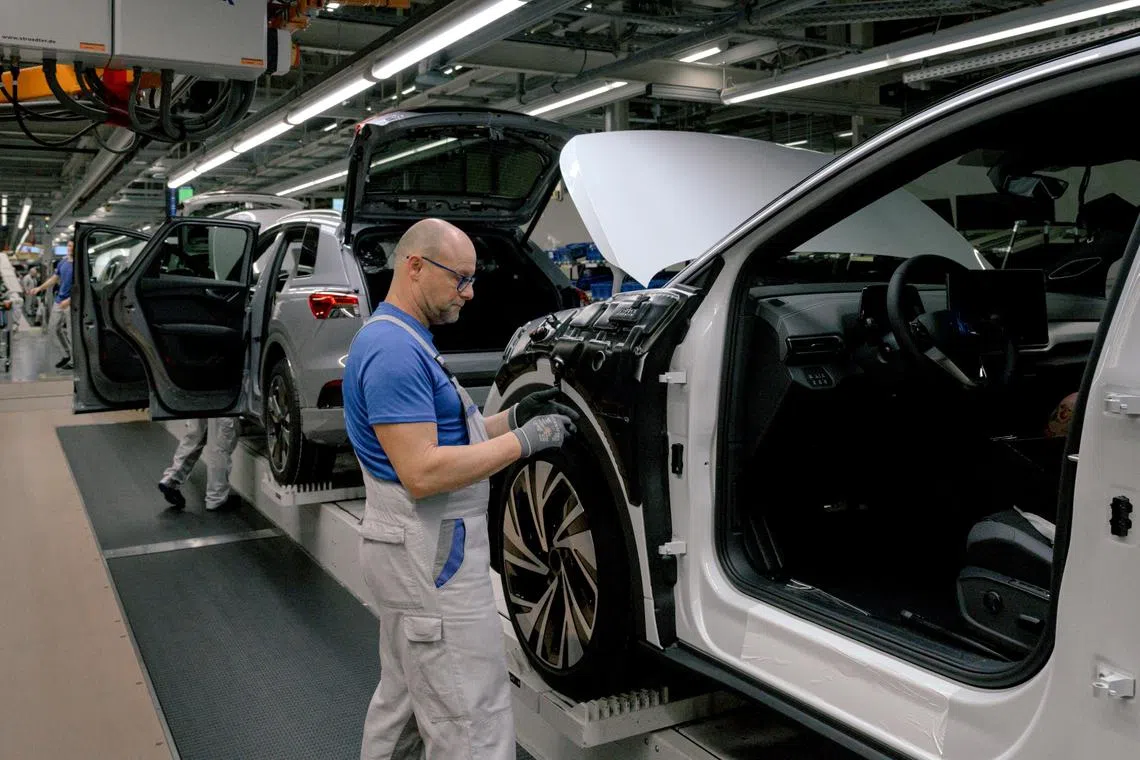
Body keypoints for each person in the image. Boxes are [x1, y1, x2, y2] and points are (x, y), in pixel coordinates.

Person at [343, 218, 578, 760]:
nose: (469, 294)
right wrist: (524, 443)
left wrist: (516, 418)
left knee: (403, 702)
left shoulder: (404, 339)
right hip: (431, 559)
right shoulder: (393, 353)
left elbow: (451, 436)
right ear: (415, 266)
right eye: (460, 279)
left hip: (413, 552)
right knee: (470, 720)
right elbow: (422, 471)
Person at [157, 418, 240, 511]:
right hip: (224, 405)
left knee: (194, 438)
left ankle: (171, 478)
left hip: (199, 403)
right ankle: (216, 498)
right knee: (220, 447)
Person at [29, 245, 74, 369]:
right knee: (53, 329)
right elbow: (54, 279)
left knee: (71, 333)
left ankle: (74, 361)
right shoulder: (63, 262)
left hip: (71, 303)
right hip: (59, 301)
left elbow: (82, 287)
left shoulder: (80, 265)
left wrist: (70, 300)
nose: (71, 248)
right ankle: (67, 354)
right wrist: (39, 288)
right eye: (69, 245)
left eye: (73, 245)